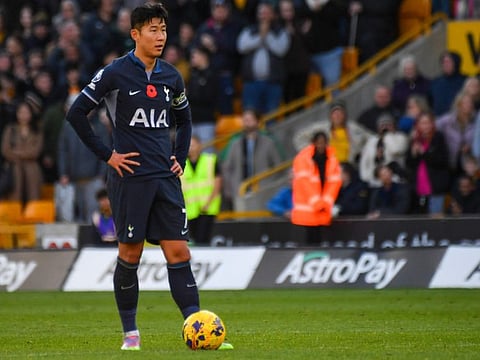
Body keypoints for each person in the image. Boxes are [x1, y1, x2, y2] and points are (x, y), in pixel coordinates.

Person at [65, 3, 232, 351]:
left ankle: (196, 326)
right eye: (153, 30)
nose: (160, 37)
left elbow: (184, 121)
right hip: (130, 179)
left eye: (163, 30)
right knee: (130, 254)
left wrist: (181, 158)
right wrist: (108, 155)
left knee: (179, 253)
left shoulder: (172, 75)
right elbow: (77, 113)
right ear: (135, 34)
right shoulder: (114, 73)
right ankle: (130, 333)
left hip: (165, 178)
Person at [221, 108, 284, 210]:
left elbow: (279, 166)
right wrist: (230, 188)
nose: (247, 123)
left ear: (258, 122)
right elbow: (227, 167)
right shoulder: (235, 143)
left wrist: (269, 184)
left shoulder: (269, 142)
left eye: (250, 120)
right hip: (240, 190)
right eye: (245, 120)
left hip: (263, 191)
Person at [236, 0, 290, 114]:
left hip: (273, 82)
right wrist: (260, 37)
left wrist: (267, 35)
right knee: (250, 115)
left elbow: (281, 50)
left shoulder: (280, 31)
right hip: (251, 82)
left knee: (271, 116)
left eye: (267, 12)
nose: (264, 16)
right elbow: (241, 46)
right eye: (262, 12)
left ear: (273, 14)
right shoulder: (249, 30)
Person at [291, 131, 342, 245]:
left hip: (322, 210)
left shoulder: (332, 159)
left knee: (319, 241)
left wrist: (325, 203)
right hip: (307, 209)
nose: (321, 146)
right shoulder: (303, 159)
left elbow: (334, 183)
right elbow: (305, 183)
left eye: (323, 143)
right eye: (318, 143)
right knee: (307, 241)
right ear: (313, 143)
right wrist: (317, 202)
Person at [293, 99, 372, 164]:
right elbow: (299, 138)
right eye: (335, 113)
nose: (337, 116)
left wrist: (362, 153)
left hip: (350, 166)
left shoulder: (354, 128)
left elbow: (372, 139)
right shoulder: (321, 128)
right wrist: (313, 152)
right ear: (330, 116)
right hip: (328, 166)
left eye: (340, 113)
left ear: (345, 115)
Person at [405, 111, 450, 214]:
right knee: (420, 221)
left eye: (427, 123)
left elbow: (442, 161)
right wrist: (413, 154)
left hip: (436, 187)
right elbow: (409, 164)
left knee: (435, 219)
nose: (425, 126)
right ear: (418, 125)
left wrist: (424, 153)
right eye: (422, 123)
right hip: (418, 188)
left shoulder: (438, 138)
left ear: (432, 124)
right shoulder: (415, 140)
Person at [181, 135, 222, 245]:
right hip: (190, 210)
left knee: (203, 238)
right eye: (188, 145)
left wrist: (208, 203)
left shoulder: (210, 160)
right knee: (193, 239)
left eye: (193, 145)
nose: (191, 148)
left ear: (200, 146)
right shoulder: (181, 163)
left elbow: (217, 183)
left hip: (208, 207)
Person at [1, 100, 43, 203]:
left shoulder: (37, 129)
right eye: (21, 112)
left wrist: (17, 153)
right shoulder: (10, 129)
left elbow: (36, 151)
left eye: (26, 112)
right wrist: (23, 154)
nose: (24, 115)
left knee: (33, 198)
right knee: (14, 197)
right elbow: (5, 150)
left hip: (32, 169)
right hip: (14, 167)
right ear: (16, 113)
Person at [359, 112, 408, 187]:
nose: (385, 127)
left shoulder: (400, 137)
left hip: (395, 179)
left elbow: (396, 150)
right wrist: (366, 178)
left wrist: (387, 135)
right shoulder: (372, 141)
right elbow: (364, 160)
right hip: (375, 180)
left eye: (388, 125)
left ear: (393, 126)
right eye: (382, 125)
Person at [429, 51, 467, 116]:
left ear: (456, 63)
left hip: (462, 119)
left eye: (448, 62)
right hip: (440, 120)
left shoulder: (466, 81)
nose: (445, 64)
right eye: (443, 62)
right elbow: (430, 101)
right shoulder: (435, 82)